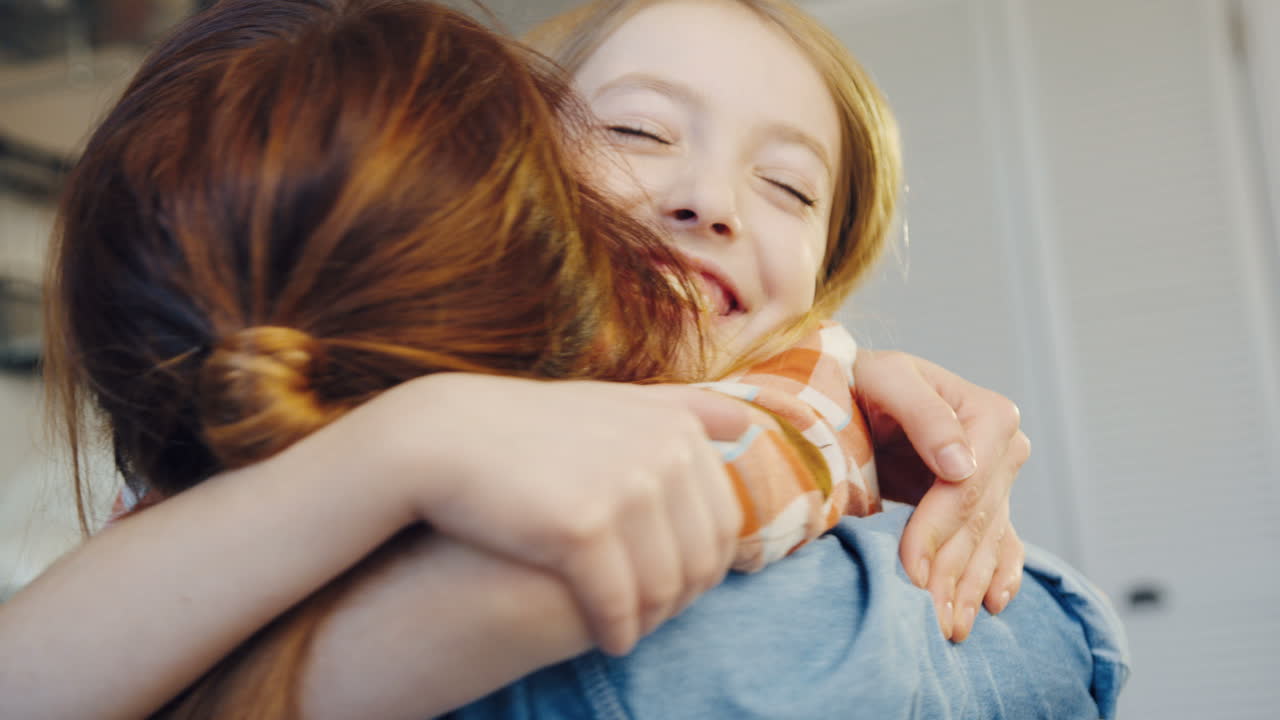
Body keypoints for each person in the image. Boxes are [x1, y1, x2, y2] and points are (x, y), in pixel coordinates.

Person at [0, 1, 1085, 719]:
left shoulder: (796, 410)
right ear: (501, 171)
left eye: (790, 188)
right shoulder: (324, 385)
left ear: (822, 277)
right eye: (638, 132)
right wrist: (405, 442)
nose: (709, 199)